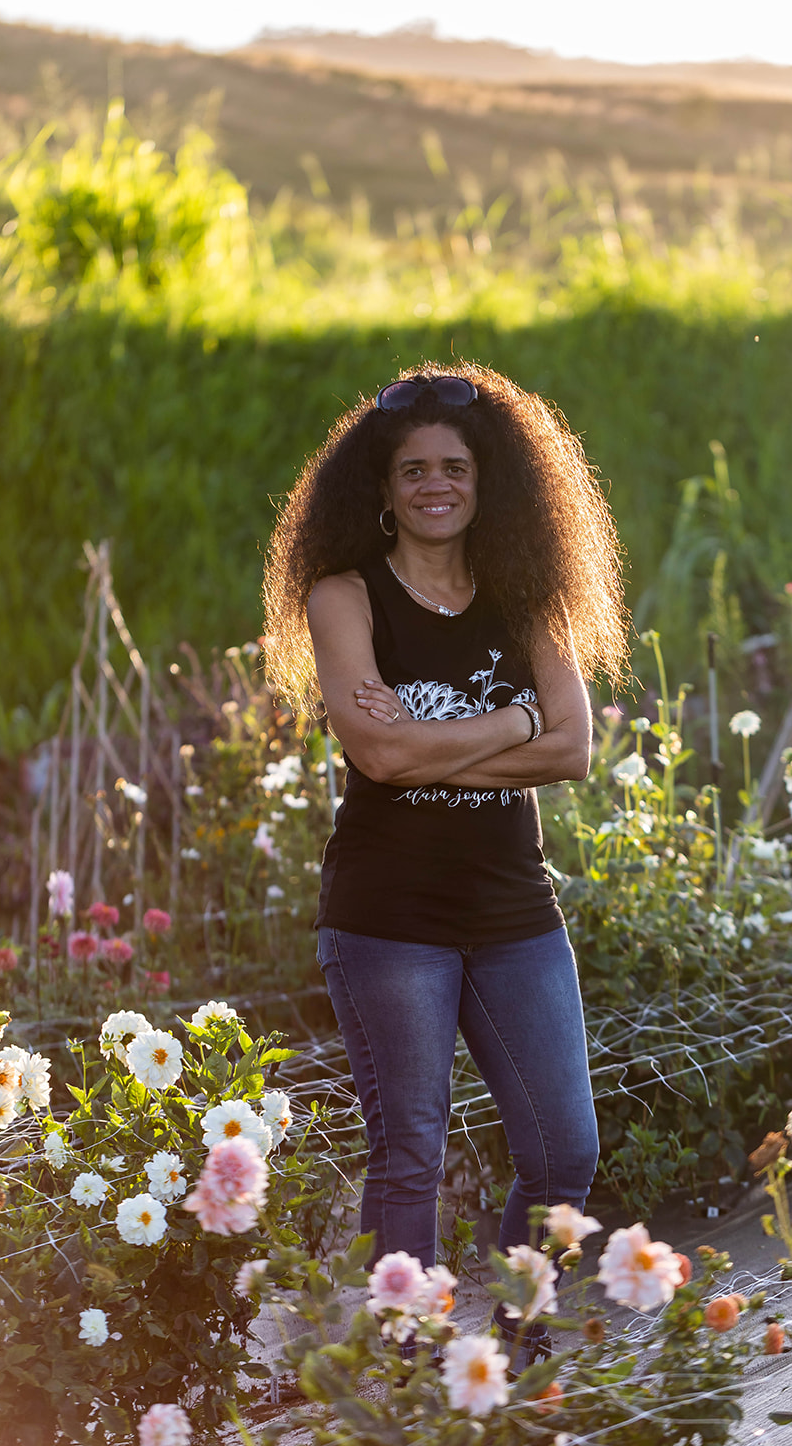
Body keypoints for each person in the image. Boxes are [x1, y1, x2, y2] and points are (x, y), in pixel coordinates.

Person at [263, 362, 628, 1353]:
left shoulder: (524, 599)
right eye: (413, 468)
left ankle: (515, 1341)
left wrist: (453, 737)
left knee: (563, 1150)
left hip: (513, 911)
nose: (435, 484)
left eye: (455, 467)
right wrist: (510, 717)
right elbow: (375, 755)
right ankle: (415, 1362)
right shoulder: (344, 598)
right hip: (388, 916)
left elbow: (573, 747)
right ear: (379, 489)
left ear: (485, 481)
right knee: (408, 1154)